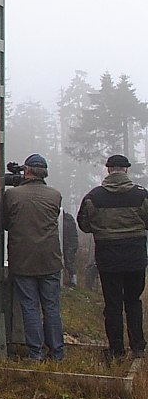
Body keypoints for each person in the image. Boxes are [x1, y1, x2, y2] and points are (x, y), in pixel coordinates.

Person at [78, 154, 148, 360]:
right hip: (135, 258)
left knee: (113, 304)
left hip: (108, 258)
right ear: (126, 170)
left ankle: (116, 349)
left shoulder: (94, 196)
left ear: (108, 170)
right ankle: (138, 346)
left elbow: (84, 225)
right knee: (133, 301)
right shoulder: (141, 195)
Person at [3, 153, 65, 361]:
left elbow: (5, 223)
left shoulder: (12, 195)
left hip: (23, 259)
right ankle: (56, 352)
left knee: (29, 306)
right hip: (50, 258)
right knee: (51, 306)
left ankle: (35, 352)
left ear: (26, 170)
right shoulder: (55, 195)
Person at [62, 211, 80, 288]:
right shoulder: (69, 219)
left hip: (70, 244)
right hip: (71, 243)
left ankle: (73, 281)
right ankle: (71, 280)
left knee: (69, 262)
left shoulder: (67, 220)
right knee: (69, 262)